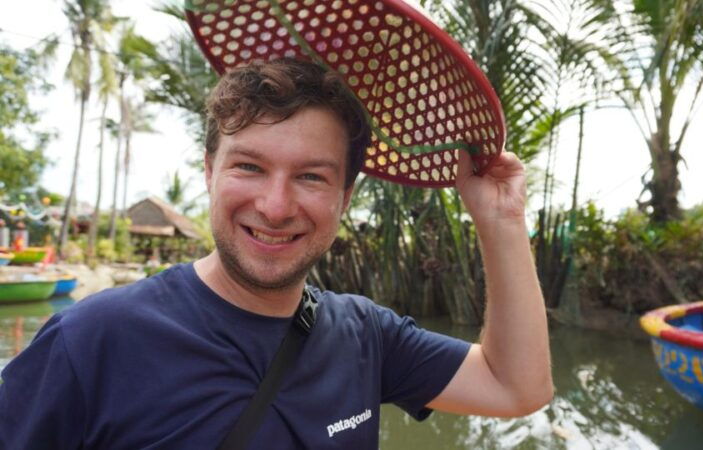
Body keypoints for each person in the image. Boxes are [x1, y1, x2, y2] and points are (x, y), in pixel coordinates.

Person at [0, 59, 552, 449]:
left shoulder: (366, 337)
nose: (275, 205)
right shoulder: (92, 340)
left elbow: (518, 387)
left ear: (345, 197)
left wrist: (502, 220)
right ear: (210, 172)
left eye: (311, 176)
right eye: (249, 166)